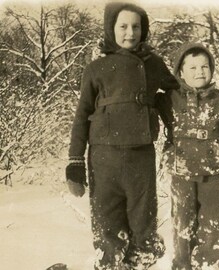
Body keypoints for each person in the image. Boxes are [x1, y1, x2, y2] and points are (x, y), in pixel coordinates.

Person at [65, 2, 179, 270]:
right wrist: (75, 161)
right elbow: (82, 115)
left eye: (136, 26)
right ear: (110, 28)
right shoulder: (95, 68)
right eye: (123, 26)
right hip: (104, 158)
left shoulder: (153, 64)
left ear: (144, 29)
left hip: (140, 156)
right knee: (107, 225)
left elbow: (178, 95)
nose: (130, 32)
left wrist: (214, 100)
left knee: (143, 223)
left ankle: (141, 264)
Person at [156, 42, 219, 270]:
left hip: (214, 175)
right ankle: (182, 266)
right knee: (182, 226)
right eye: (193, 68)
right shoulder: (169, 99)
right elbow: (144, 92)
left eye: (204, 67)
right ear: (180, 72)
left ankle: (210, 265)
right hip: (181, 173)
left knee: (213, 227)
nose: (200, 72)